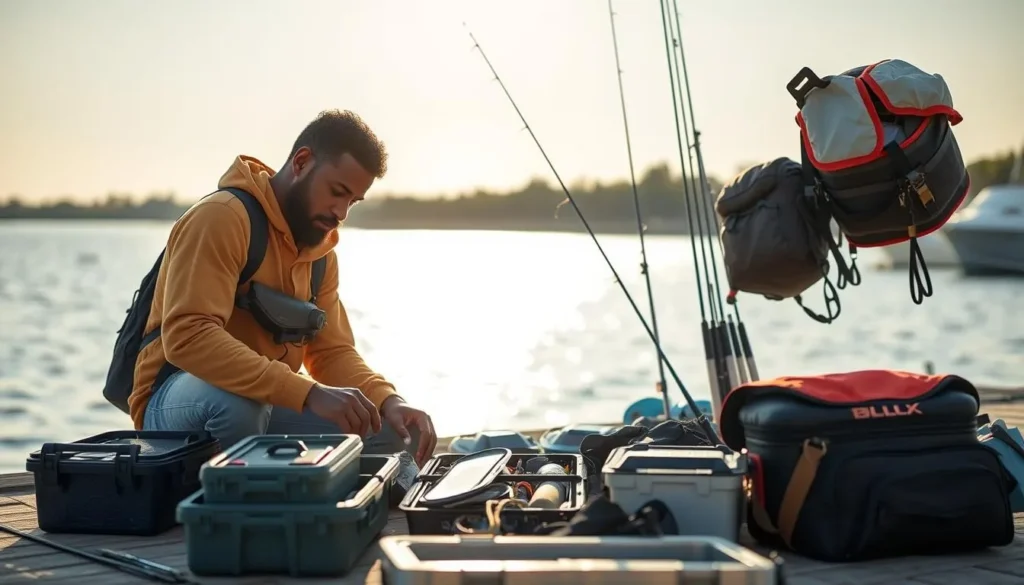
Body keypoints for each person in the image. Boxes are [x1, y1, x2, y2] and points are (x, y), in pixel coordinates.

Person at [127, 109, 437, 465]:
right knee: (240, 405)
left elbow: (330, 353)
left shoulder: (321, 253)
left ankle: (284, 487)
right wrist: (306, 393)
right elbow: (188, 336)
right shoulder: (221, 217)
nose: (341, 212)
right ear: (302, 162)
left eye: (352, 201)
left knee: (392, 433)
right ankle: (243, 506)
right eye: (337, 192)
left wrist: (388, 400)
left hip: (266, 402)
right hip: (173, 404)